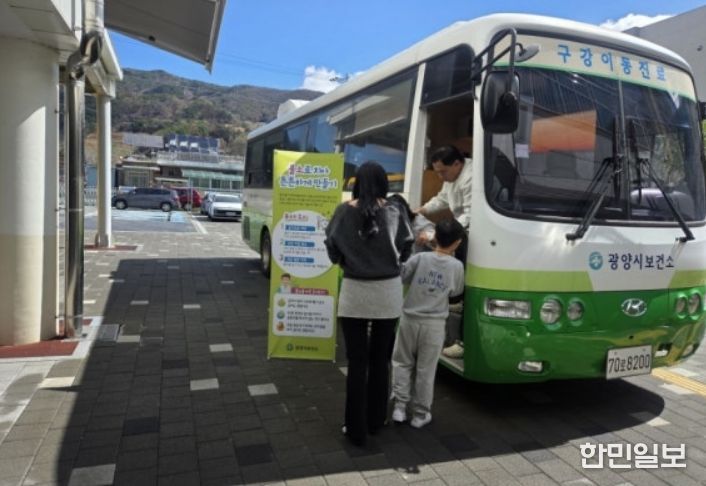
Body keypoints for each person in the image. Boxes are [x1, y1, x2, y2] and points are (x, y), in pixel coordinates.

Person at [324, 161, 414, 447]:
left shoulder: (343, 211)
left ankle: (355, 428)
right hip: (388, 292)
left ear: (357, 183)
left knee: (357, 361)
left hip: (354, 292)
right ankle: (376, 420)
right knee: (380, 360)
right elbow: (407, 246)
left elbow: (331, 247)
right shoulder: (396, 210)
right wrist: (392, 260)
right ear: (384, 183)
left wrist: (345, 261)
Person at [390, 219, 465, 428]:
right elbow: (456, 292)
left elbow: (403, 277)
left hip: (409, 319)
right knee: (426, 370)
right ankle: (420, 415)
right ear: (457, 242)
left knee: (402, 362)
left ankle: (399, 408)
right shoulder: (457, 266)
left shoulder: (419, 258)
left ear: (435, 237)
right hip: (434, 324)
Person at [415, 144, 472, 252]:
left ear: (456, 164)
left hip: (470, 229)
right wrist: (423, 210)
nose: (440, 177)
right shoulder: (452, 175)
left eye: (443, 172)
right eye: (438, 173)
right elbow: (442, 198)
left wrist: (437, 235)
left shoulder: (470, 178)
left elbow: (469, 216)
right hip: (459, 225)